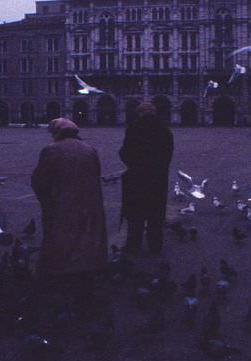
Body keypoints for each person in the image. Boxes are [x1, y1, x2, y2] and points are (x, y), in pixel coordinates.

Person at [31, 118, 108, 314]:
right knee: (86, 237)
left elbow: (40, 180)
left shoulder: (51, 150)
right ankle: (86, 274)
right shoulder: (89, 149)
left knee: (63, 238)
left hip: (63, 203)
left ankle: (61, 276)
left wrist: (47, 200)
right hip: (89, 204)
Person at [119, 102, 174, 255]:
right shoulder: (165, 131)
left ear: (140, 113)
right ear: (154, 113)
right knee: (155, 216)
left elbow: (125, 153)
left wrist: (134, 164)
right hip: (158, 180)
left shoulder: (134, 129)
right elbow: (168, 155)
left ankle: (133, 247)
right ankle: (155, 247)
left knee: (135, 216)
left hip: (137, 179)